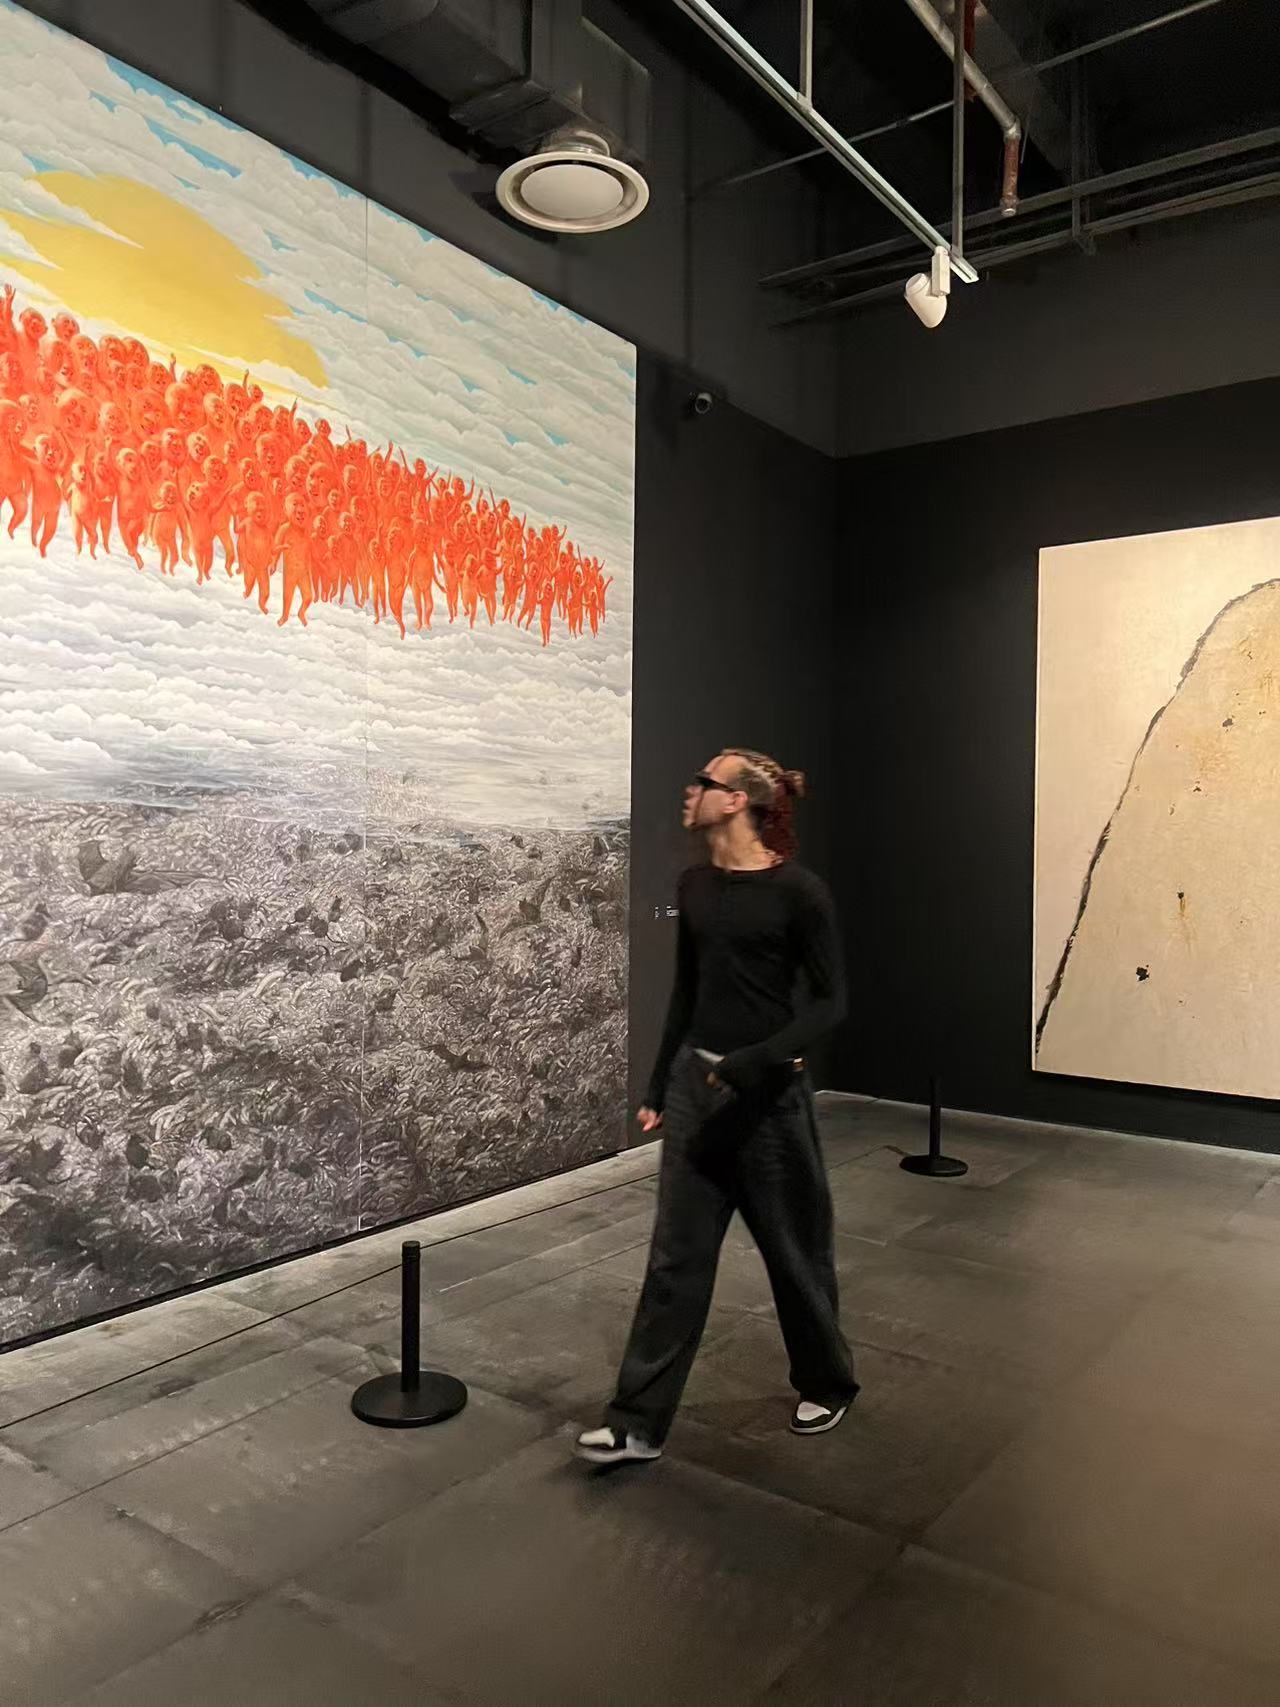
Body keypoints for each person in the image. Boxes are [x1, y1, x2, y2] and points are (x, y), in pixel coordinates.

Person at [577, 749, 858, 1467]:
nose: (689, 790)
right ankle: (637, 1422)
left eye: (702, 782)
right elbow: (686, 991)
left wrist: (759, 1058)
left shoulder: (800, 893)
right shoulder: (695, 885)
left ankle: (827, 1382)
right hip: (695, 1091)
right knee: (676, 1258)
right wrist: (656, 1085)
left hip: (769, 1100)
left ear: (735, 800)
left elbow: (830, 1003)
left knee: (794, 1251)